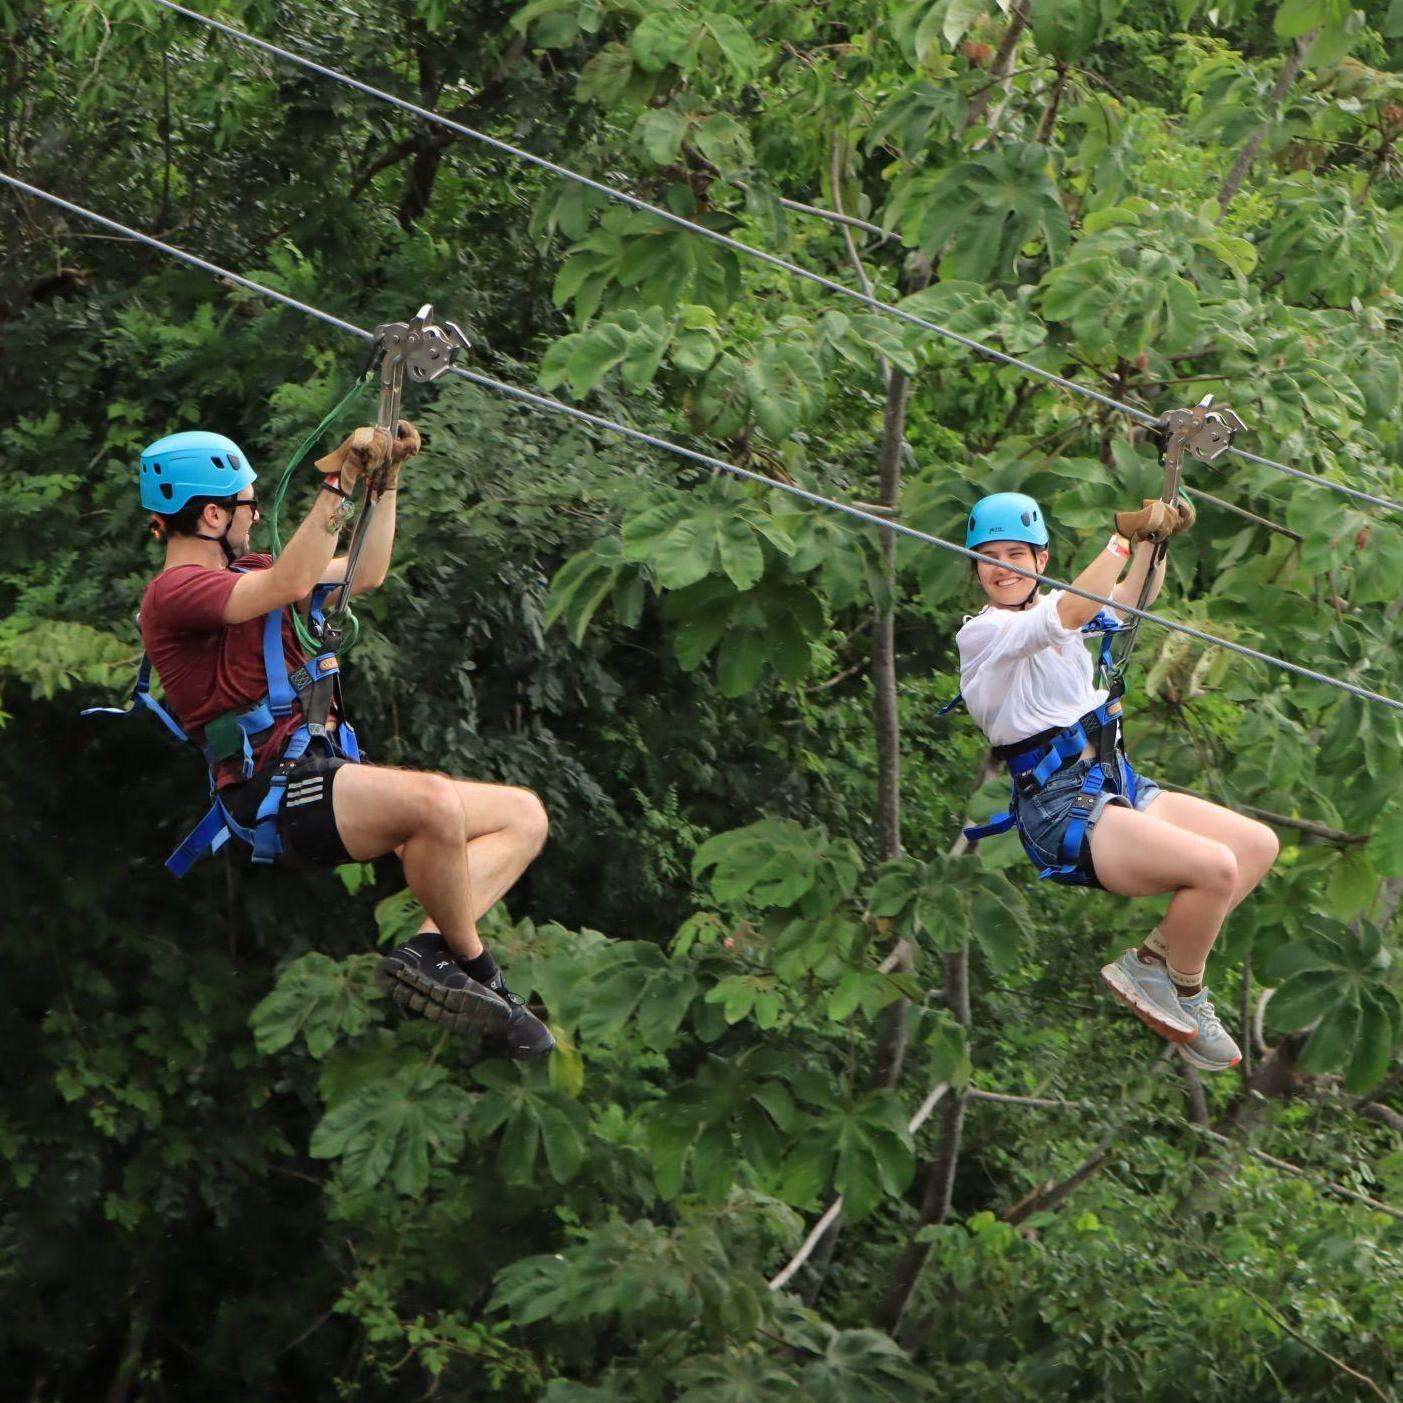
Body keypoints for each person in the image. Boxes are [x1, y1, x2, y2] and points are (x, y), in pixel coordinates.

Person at [136, 422, 555, 1060]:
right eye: (248, 504)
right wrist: (340, 481)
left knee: (522, 816)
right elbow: (291, 583)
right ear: (213, 515)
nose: (256, 515)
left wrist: (385, 483)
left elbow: (368, 570)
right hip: (272, 791)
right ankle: (477, 970)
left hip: (318, 772)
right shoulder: (175, 593)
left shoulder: (251, 572)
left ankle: (430, 948)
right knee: (435, 802)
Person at [956, 492, 1278, 1071]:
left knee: (1256, 845)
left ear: (1041, 560)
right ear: (976, 569)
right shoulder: (985, 634)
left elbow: (1131, 599)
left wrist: (1154, 541)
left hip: (1115, 780)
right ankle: (1185, 987)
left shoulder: (1055, 613)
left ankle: (1154, 963)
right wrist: (1122, 539)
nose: (1001, 568)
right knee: (1215, 869)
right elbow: (1071, 613)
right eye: (989, 558)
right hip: (1062, 810)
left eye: (1015, 555)